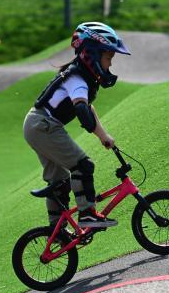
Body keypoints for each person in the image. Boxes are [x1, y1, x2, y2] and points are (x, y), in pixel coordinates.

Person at [23, 22, 130, 228]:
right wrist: (91, 127)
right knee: (83, 166)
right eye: (108, 58)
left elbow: (88, 107)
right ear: (92, 54)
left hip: (37, 125)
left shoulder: (82, 77)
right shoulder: (77, 78)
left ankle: (56, 230)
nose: (110, 65)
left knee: (60, 181)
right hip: (44, 125)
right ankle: (87, 214)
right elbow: (81, 107)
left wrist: (103, 136)